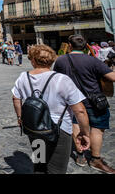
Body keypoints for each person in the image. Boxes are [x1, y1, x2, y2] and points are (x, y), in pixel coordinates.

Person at [12, 44, 91, 174]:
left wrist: (20, 118)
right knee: (57, 169)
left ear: (32, 60)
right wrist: (84, 133)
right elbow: (80, 110)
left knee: (39, 163)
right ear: (52, 60)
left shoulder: (23, 77)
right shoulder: (62, 79)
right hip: (59, 130)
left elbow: (16, 98)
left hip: (35, 127)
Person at [53, 35, 115, 174]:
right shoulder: (93, 60)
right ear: (86, 46)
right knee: (97, 129)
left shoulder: (61, 60)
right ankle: (95, 159)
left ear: (70, 45)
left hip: (71, 101)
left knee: (76, 126)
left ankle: (80, 156)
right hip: (94, 101)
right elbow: (113, 77)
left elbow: (56, 79)